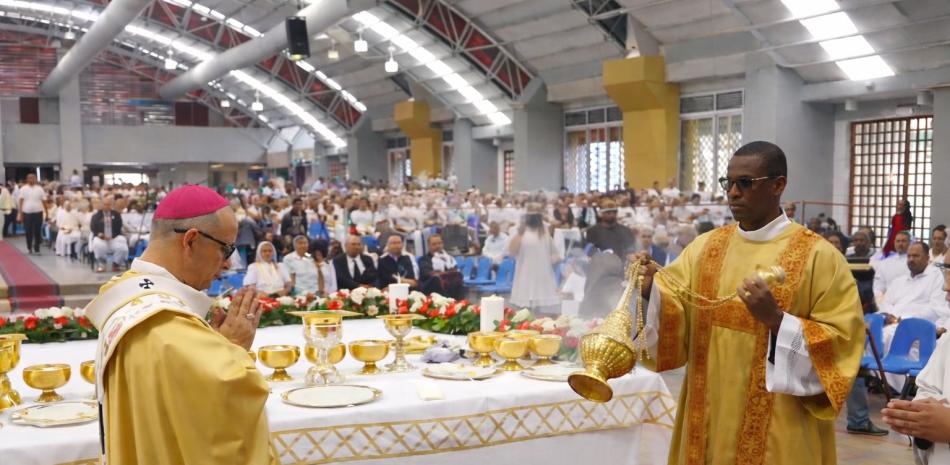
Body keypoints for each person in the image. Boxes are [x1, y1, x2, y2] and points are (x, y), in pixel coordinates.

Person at [634, 141, 863, 465]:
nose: (734, 193)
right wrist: (648, 292)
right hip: (707, 415)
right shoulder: (706, 248)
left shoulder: (818, 257)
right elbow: (674, 311)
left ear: (778, 185)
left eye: (746, 183)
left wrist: (777, 321)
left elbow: (843, 345)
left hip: (780, 430)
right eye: (729, 183)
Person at [85, 184, 274, 465]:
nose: (226, 264)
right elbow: (225, 409)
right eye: (226, 249)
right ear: (191, 240)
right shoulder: (166, 325)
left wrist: (213, 345)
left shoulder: (127, 294)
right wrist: (233, 349)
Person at [508, 210, 559, 310]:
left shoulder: (545, 234)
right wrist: (520, 233)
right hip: (525, 277)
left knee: (542, 312)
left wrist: (549, 261)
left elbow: (555, 254)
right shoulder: (520, 234)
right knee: (525, 310)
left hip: (542, 279)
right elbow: (512, 252)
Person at [91, 196, 129, 272]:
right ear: (102, 205)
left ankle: (116, 264)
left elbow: (119, 227)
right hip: (101, 238)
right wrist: (100, 235)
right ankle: (102, 264)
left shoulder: (116, 215)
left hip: (113, 237)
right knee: (97, 244)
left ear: (111, 205)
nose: (106, 206)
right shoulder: (96, 216)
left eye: (108, 204)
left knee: (122, 245)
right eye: (105, 204)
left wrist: (112, 236)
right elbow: (93, 228)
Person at [418, 235, 464, 299]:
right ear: (429, 246)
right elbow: (427, 274)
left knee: (458, 276)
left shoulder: (449, 258)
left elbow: (454, 270)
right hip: (430, 288)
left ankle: (459, 302)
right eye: (434, 244)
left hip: (449, 288)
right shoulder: (424, 260)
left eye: (439, 243)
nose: (437, 246)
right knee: (437, 278)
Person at [873, 230, 912, 299]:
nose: (900, 244)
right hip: (887, 300)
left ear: (910, 243)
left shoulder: (914, 262)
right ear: (894, 243)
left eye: (903, 241)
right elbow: (878, 286)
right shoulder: (884, 263)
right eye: (898, 241)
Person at [17, 174, 46, 255]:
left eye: (33, 178)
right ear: (27, 179)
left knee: (37, 231)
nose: (31, 179)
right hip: (27, 213)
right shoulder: (23, 189)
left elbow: (44, 201)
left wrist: (46, 212)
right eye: (30, 178)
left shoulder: (39, 189)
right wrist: (20, 213)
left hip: (38, 212)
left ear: (35, 179)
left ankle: (37, 248)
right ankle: (29, 247)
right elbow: (21, 201)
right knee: (28, 231)